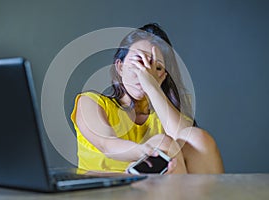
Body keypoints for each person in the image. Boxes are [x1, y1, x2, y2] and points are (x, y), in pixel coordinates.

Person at [71, 23, 224, 174]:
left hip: (160, 193)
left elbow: (190, 141)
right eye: (139, 62)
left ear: (162, 77)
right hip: (106, 192)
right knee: (162, 143)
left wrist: (151, 87)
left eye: (157, 68)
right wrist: (144, 151)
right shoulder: (90, 102)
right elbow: (107, 144)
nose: (146, 72)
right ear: (120, 67)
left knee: (197, 138)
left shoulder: (163, 115)